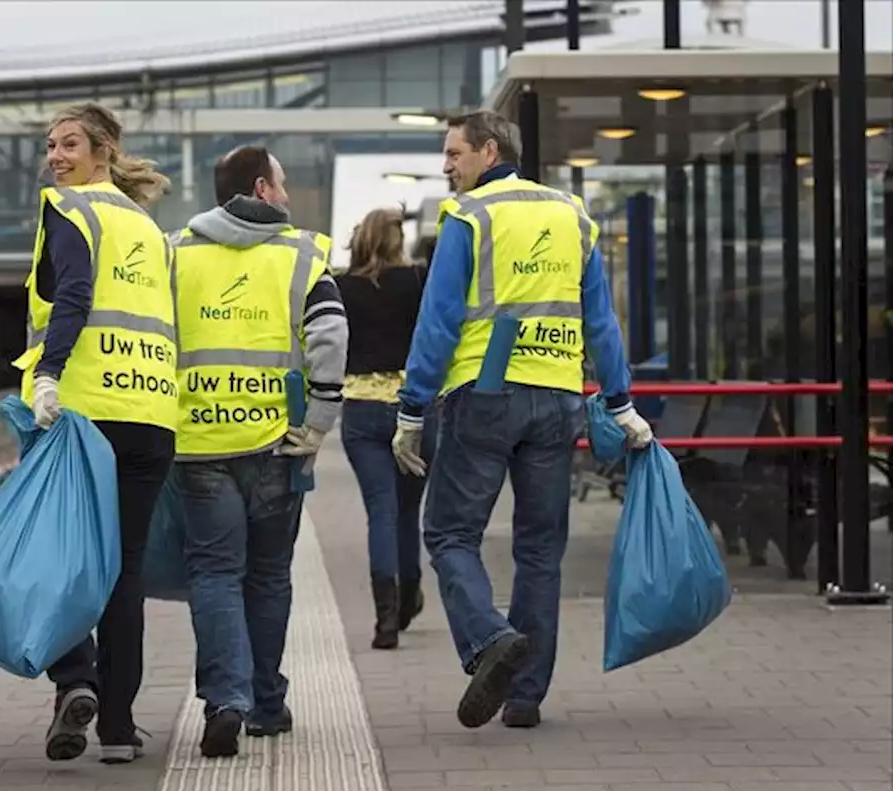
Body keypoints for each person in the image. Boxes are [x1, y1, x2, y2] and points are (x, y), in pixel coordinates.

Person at [392, 110, 653, 731]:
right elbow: (601, 321)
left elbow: (439, 321)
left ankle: (489, 640)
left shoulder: (470, 217)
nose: (447, 166)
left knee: (451, 534)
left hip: (483, 394)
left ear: (489, 151)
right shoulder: (571, 217)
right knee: (541, 549)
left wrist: (410, 408)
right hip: (558, 396)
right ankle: (526, 696)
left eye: (454, 154)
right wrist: (620, 402)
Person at [170, 145, 347, 758]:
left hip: (197, 440)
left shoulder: (177, 252)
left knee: (216, 573)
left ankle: (226, 700)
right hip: (279, 441)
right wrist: (321, 420)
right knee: (269, 576)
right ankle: (267, 704)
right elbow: (329, 334)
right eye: (284, 183)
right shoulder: (301, 254)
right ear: (260, 188)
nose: (290, 195)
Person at [13, 102, 176, 765]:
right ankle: (116, 727)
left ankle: (76, 678)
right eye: (50, 145)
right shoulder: (147, 226)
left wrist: (49, 373)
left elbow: (74, 296)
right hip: (151, 416)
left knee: (60, 558)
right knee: (124, 572)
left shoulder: (70, 211)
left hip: (83, 413)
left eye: (69, 143)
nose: (55, 156)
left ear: (104, 149)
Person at [337, 207, 437, 650]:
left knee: (380, 510)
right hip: (413, 410)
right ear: (398, 239)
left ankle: (385, 621)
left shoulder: (341, 287)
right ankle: (409, 594)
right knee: (407, 510)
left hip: (360, 411)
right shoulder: (418, 281)